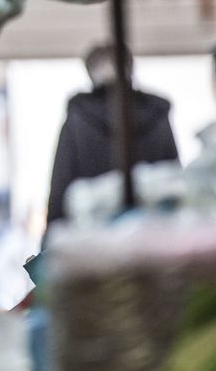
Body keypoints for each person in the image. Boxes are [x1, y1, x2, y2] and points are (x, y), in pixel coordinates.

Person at [45, 44, 179, 235]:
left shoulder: (78, 119)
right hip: (153, 242)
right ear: (130, 69)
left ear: (91, 73)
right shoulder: (157, 116)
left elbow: (60, 191)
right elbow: (175, 183)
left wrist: (48, 245)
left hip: (93, 247)